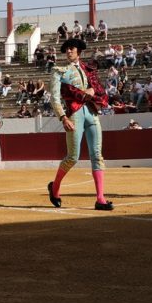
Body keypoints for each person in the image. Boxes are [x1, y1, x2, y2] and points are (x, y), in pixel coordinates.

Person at [47, 38, 113, 211]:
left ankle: (100, 198)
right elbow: (54, 97)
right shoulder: (58, 70)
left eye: (72, 49)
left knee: (97, 154)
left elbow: (99, 89)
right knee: (72, 157)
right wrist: (63, 117)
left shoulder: (88, 69)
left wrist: (93, 91)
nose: (69, 52)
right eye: (66, 50)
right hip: (74, 115)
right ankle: (55, 187)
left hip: (91, 113)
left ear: (78, 51)